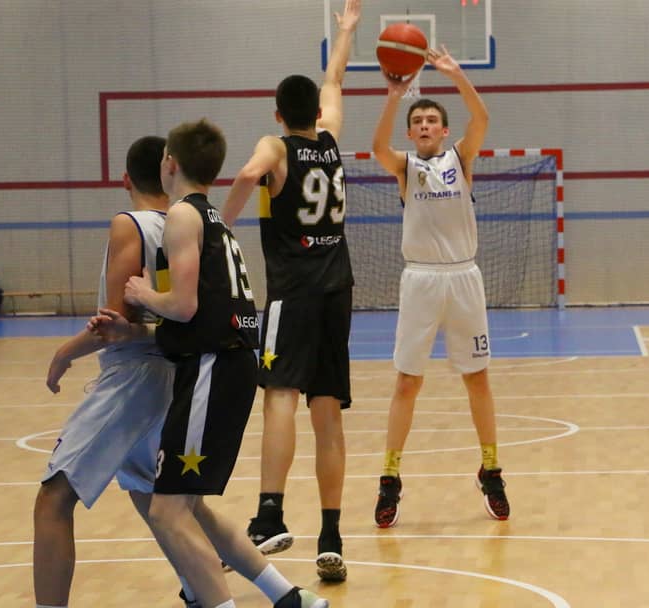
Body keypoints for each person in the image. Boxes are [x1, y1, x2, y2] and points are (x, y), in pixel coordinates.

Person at [92, 119, 327, 608]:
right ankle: (288, 597)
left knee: (167, 514)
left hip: (212, 368)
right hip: (224, 363)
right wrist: (144, 329)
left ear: (170, 163)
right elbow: (201, 311)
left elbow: (183, 306)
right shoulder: (214, 217)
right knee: (189, 507)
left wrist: (143, 293)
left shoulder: (182, 215)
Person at [220, 0, 360, 583]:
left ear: (278, 114)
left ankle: (270, 515)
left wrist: (218, 225)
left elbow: (248, 174)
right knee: (326, 411)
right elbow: (335, 79)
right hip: (337, 287)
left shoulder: (276, 146)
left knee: (279, 393)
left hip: (293, 291)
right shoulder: (330, 138)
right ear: (316, 113)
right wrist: (346, 32)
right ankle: (331, 533)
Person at [34, 135, 192, 608]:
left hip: (133, 376)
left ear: (126, 180)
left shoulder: (131, 224)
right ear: (169, 171)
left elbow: (115, 322)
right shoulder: (189, 225)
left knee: (54, 498)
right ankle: (209, 590)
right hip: (174, 372)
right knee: (155, 497)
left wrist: (65, 352)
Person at [369, 46, 509, 528]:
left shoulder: (460, 158)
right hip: (421, 280)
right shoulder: (405, 167)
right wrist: (394, 96)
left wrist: (455, 73)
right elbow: (377, 147)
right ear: (411, 133)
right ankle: (390, 478)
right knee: (407, 381)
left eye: (432, 120)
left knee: (478, 377)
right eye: (419, 122)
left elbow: (482, 118)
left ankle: (491, 470)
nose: (425, 125)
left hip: (464, 277)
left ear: (444, 131)